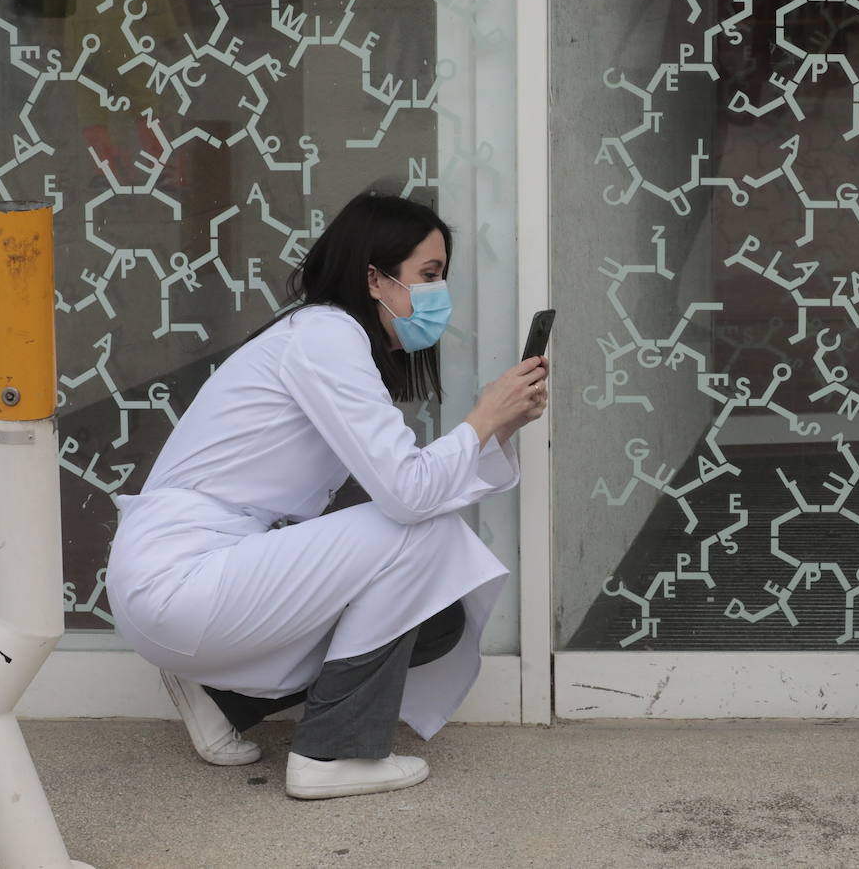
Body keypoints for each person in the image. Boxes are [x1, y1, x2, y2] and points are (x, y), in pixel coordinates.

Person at [106, 191, 549, 800]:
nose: (438, 294)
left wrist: (498, 425)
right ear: (375, 277)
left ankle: (221, 698)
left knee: (439, 612)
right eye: (429, 275)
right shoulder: (326, 335)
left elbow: (410, 485)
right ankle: (332, 752)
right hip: (181, 578)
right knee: (425, 536)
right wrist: (481, 417)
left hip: (195, 578)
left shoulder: (328, 340)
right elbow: (409, 496)